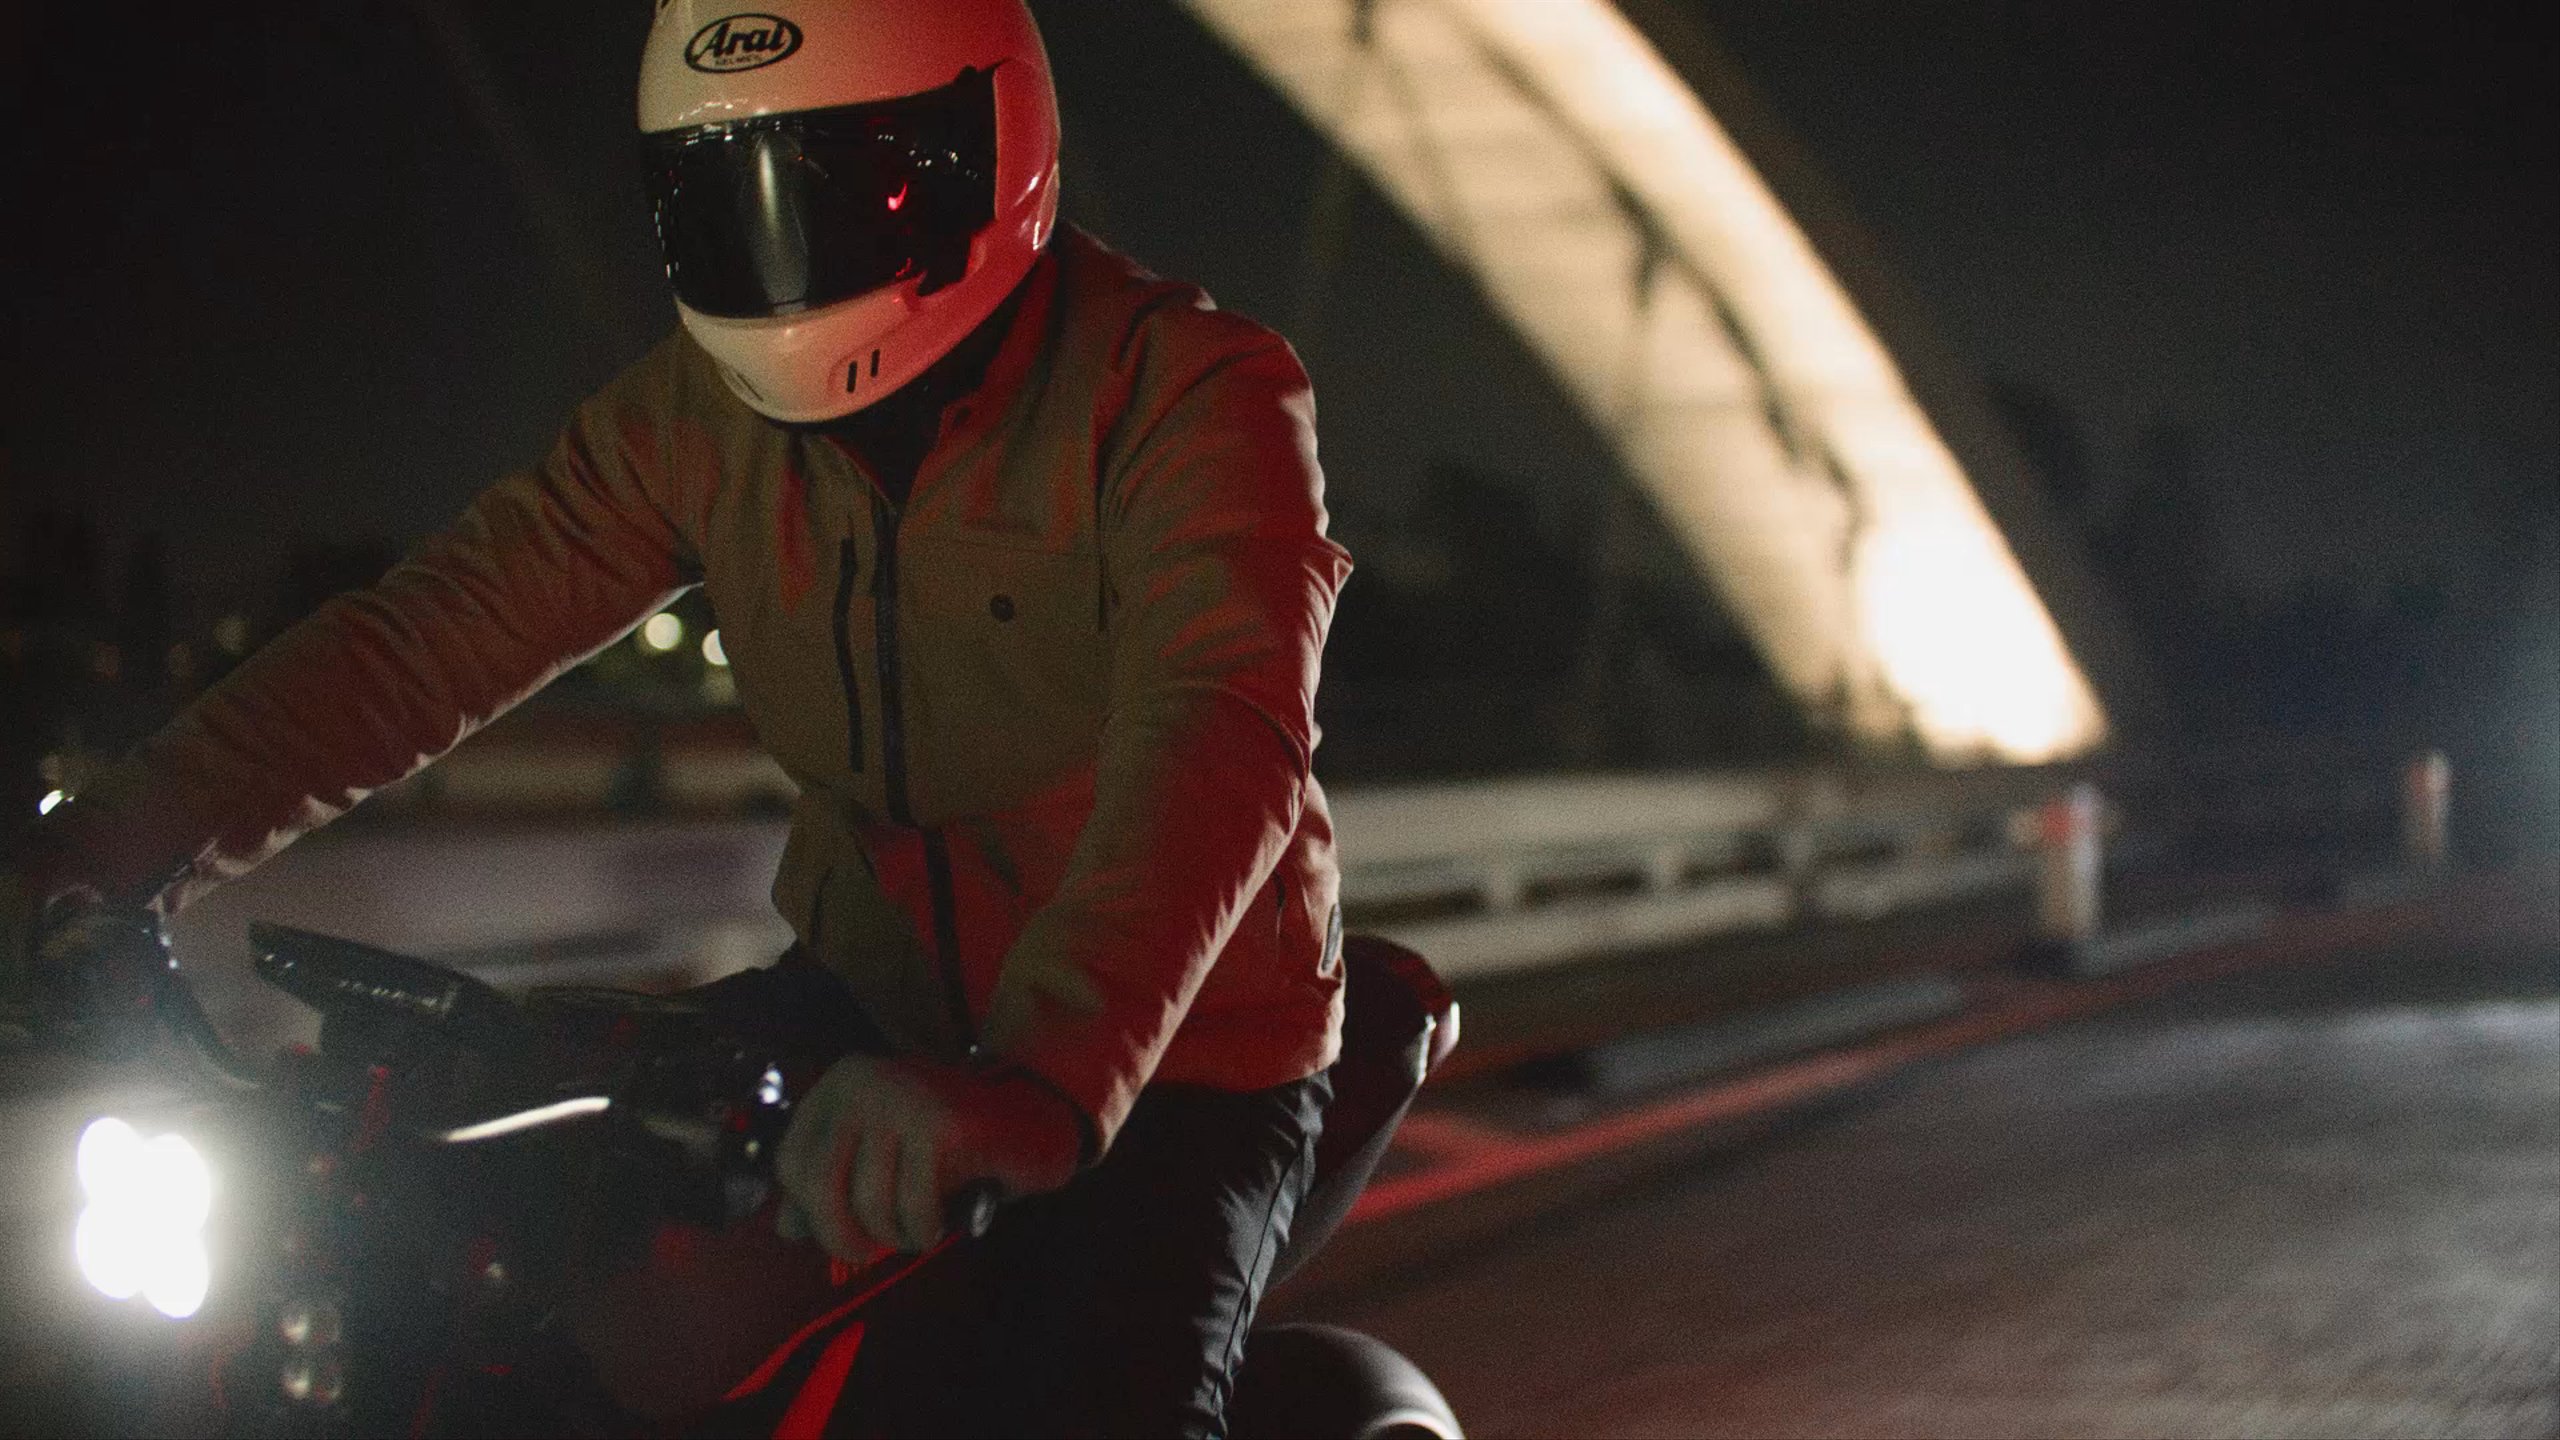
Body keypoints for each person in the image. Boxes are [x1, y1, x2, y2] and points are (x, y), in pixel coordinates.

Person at [3, 2, 1353, 1433]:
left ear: (982, 155)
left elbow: (1216, 728)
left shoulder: (1192, 391)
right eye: (730, 196)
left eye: (836, 187)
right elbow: (424, 641)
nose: (779, 245)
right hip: (861, 1002)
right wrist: (99, 850)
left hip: (1172, 1053)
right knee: (512, 1307)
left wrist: (1037, 1073)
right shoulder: (694, 416)